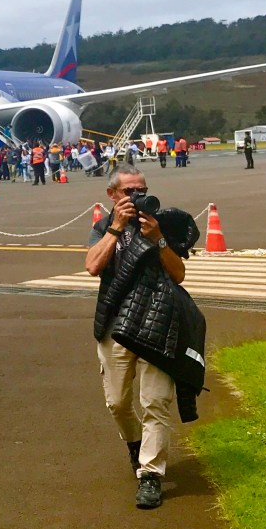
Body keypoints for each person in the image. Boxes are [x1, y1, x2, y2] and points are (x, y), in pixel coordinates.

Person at [85, 164, 187, 510]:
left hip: (158, 324)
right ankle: (134, 443)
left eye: (142, 190)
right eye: (129, 191)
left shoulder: (160, 224)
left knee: (155, 402)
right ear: (112, 195)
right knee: (117, 402)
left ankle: (151, 475)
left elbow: (179, 274)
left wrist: (158, 239)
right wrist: (116, 228)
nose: (137, 197)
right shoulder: (103, 226)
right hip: (117, 326)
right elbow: (93, 266)